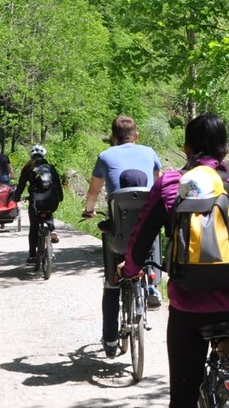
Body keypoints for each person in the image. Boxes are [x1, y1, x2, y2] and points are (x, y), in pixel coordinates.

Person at [122, 113, 229, 408]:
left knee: (183, 399)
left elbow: (142, 236)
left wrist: (130, 269)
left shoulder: (171, 184)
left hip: (190, 308)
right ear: (225, 149)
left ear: (186, 148)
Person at [81, 115, 164, 358]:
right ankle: (152, 286)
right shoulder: (150, 152)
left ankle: (109, 340)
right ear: (136, 135)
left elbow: (93, 191)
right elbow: (158, 186)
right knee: (153, 229)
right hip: (146, 234)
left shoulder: (105, 156)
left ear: (113, 138)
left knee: (111, 283)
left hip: (118, 234)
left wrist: (88, 210)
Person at [12, 144, 63, 265]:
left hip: (36, 202)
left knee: (34, 227)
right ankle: (52, 229)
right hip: (51, 200)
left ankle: (32, 256)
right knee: (48, 212)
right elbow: (57, 184)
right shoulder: (51, 167)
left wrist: (16, 198)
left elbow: (21, 185)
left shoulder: (28, 168)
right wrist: (60, 198)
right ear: (43, 155)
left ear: (32, 156)